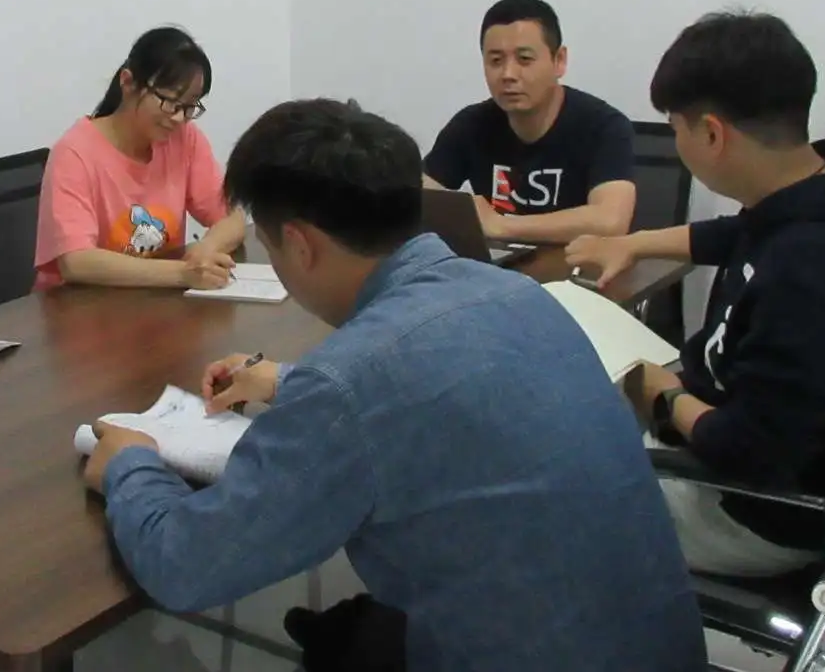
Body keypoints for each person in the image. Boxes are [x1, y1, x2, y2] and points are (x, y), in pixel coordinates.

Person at [81, 99, 706, 672]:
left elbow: (186, 567)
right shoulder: (516, 292)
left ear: (298, 244)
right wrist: (288, 382)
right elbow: (429, 390)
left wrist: (131, 464)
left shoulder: (348, 384)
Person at [567, 12, 825, 577]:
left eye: (677, 128)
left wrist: (662, 395)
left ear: (712, 134)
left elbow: (750, 451)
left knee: (533, 485)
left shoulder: (810, 272)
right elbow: (735, 235)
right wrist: (632, 244)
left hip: (754, 512)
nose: (677, 141)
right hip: (772, 452)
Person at [34, 26, 247, 289]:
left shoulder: (184, 139)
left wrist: (207, 249)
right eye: (169, 101)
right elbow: (76, 261)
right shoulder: (74, 153)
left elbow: (233, 217)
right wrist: (183, 273)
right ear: (128, 83)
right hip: (79, 304)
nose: (179, 117)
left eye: (189, 106)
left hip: (152, 300)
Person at [424, 0, 638, 244]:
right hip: (497, 266)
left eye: (524, 59)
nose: (508, 74)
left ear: (559, 60)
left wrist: (501, 225)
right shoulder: (470, 125)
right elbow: (416, 198)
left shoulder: (603, 126)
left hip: (574, 266)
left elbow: (610, 221)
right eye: (495, 61)